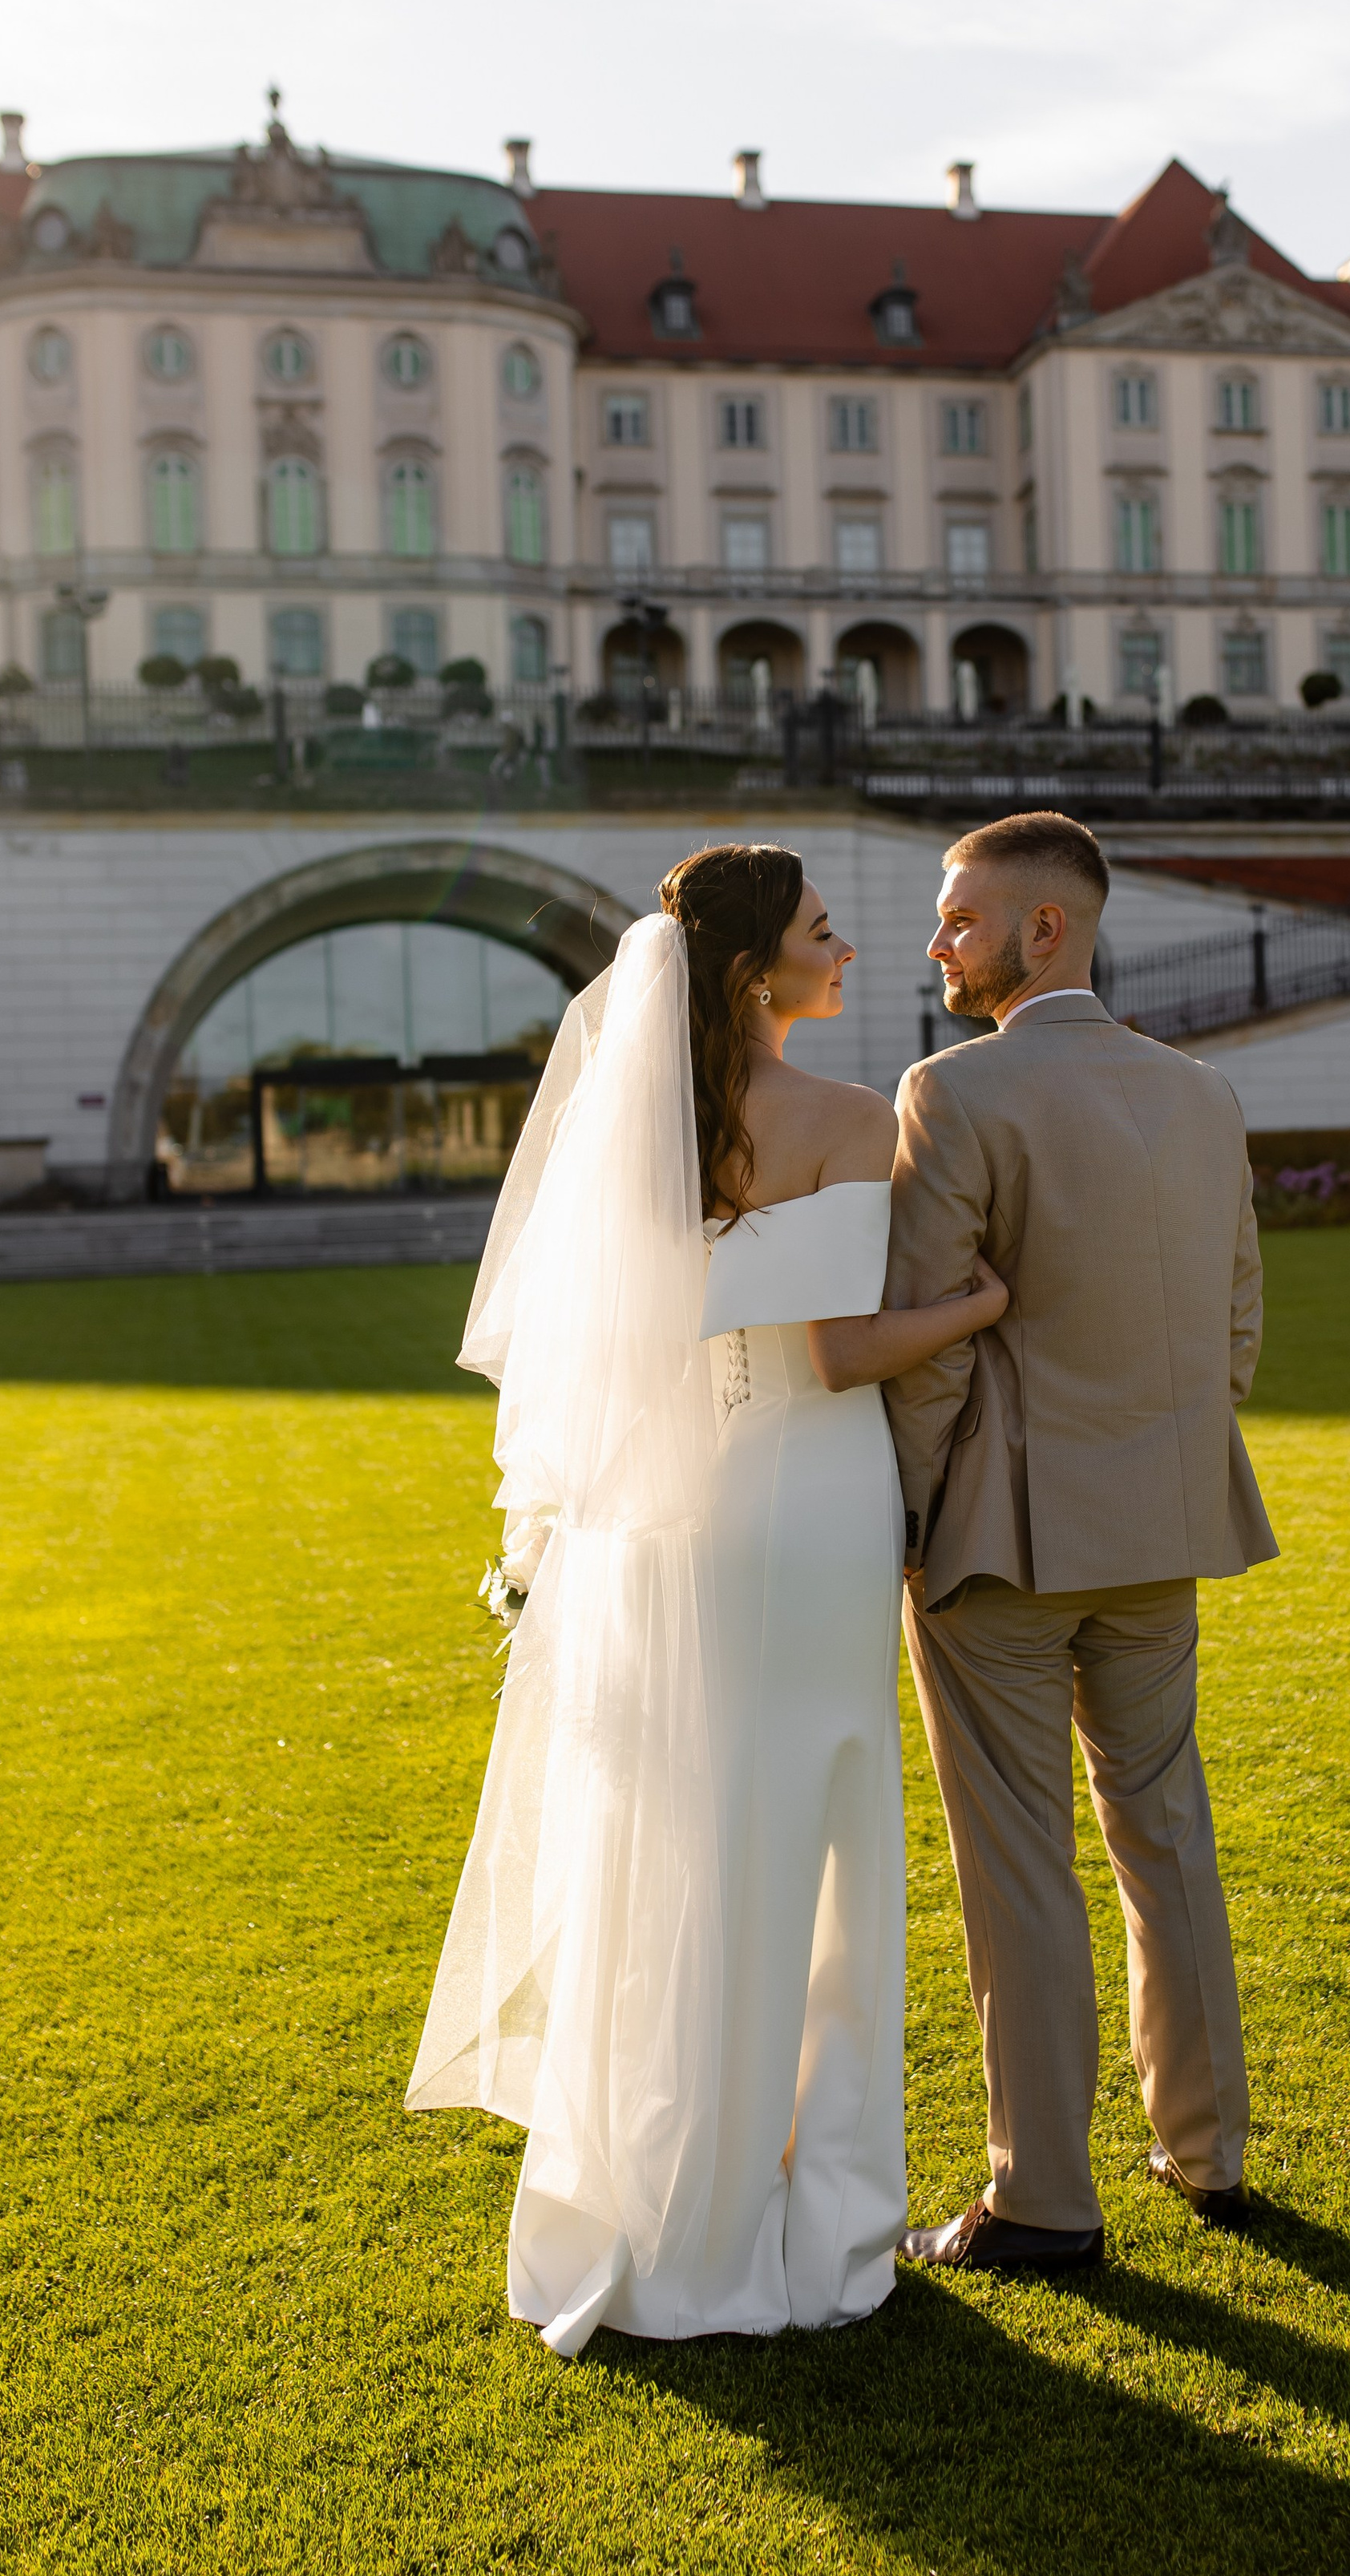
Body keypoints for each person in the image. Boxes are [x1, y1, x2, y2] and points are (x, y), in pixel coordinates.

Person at [406, 844, 1007, 2355]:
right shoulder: (845, 1120)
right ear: (754, 973)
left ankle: (671, 2193)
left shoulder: (645, 1127)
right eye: (822, 931)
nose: (848, 949)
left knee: (687, 1836)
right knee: (812, 1835)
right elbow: (837, 1352)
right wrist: (985, 1301)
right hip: (803, 1503)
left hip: (673, 1517)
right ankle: (814, 2215)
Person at [884, 811, 1275, 2275]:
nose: (939, 941)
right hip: (1161, 1533)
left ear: (1047, 930)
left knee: (1021, 1872)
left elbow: (924, 1351)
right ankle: (1208, 2150)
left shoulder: (951, 1092)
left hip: (994, 1547)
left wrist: (912, 1522)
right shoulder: (1202, 1095)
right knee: (1165, 1836)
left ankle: (1042, 2200)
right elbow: (1235, 1327)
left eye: (960, 917)